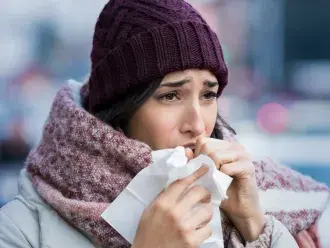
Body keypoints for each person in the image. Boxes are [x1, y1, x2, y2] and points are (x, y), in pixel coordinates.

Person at [0, 0, 329, 247]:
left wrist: (255, 226)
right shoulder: (23, 229)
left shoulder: (269, 197)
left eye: (208, 95)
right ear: (119, 107)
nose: (198, 125)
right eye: (170, 96)